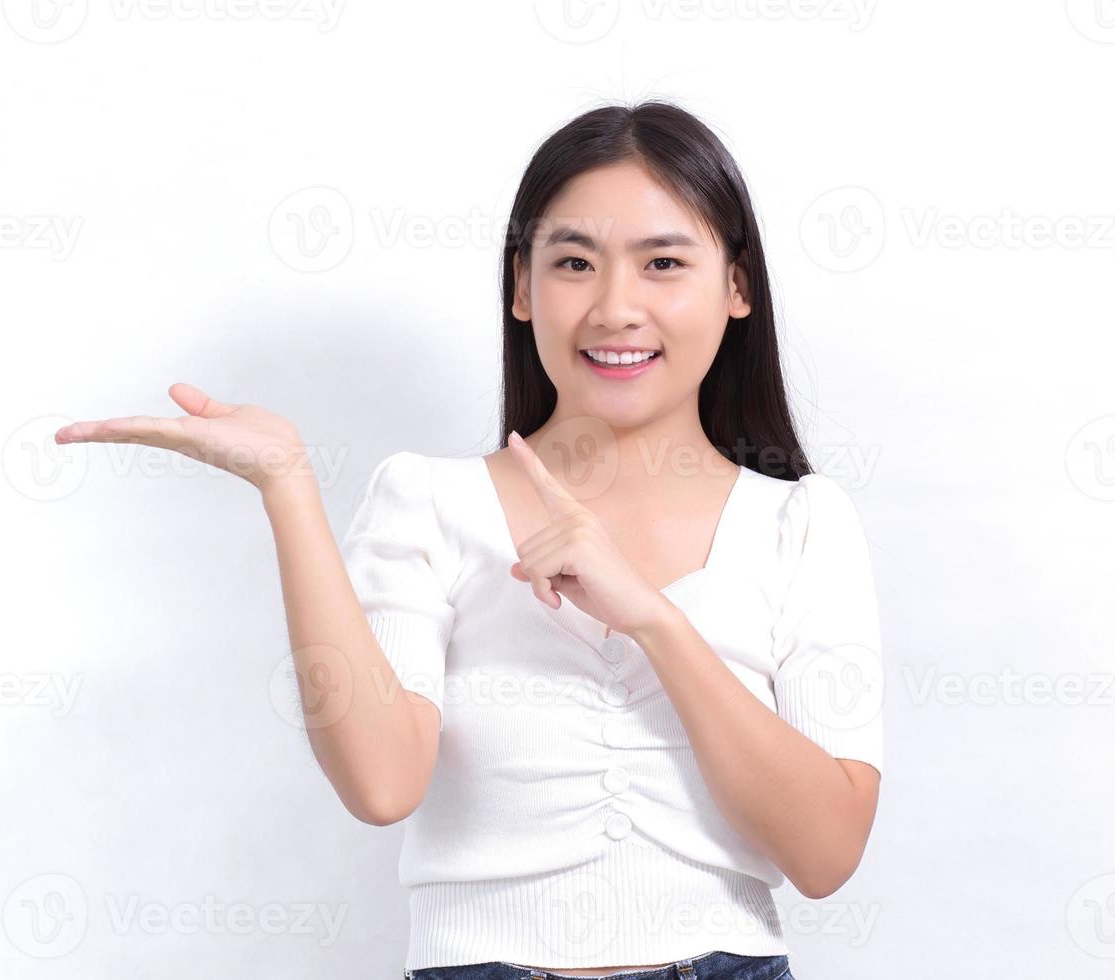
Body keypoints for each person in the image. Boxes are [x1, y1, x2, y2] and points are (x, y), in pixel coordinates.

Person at [55, 100, 883, 980]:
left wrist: (654, 621)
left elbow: (826, 853)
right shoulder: (428, 502)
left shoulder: (802, 523)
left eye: (664, 263)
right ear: (522, 288)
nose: (615, 307)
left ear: (737, 288)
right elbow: (382, 785)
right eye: (574, 262)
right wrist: (288, 485)